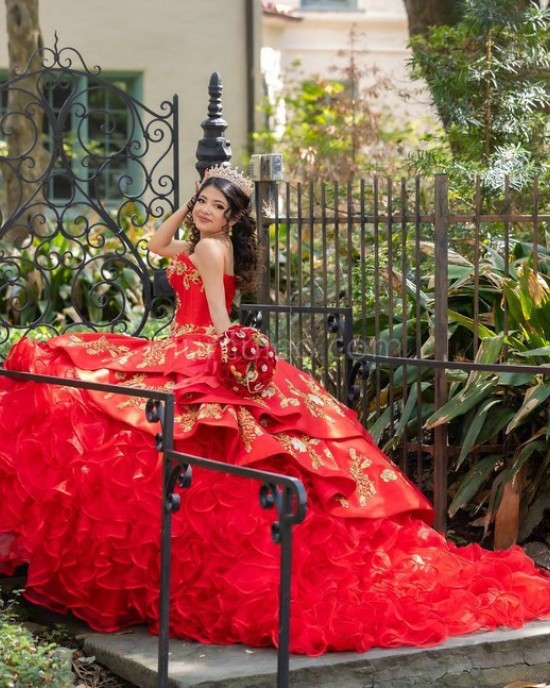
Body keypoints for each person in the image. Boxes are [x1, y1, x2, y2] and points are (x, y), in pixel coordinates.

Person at [0, 164, 549, 656]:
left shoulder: (213, 250)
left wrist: (227, 361)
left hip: (197, 346)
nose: (207, 213)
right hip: (183, 344)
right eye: (204, 203)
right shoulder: (202, 240)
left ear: (235, 220)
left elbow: (217, 318)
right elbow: (157, 243)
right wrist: (185, 206)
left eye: (219, 207)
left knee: (115, 410)